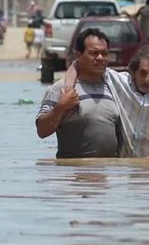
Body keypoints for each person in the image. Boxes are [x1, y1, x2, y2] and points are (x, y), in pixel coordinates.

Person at [36, 28, 120, 158]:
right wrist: (61, 107)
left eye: (104, 53)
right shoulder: (61, 89)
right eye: (94, 53)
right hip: (74, 171)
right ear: (79, 55)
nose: (100, 58)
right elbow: (42, 131)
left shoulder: (113, 87)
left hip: (107, 172)